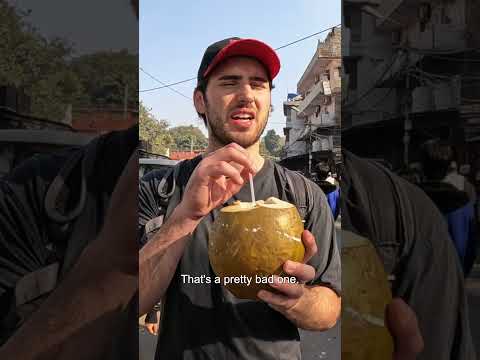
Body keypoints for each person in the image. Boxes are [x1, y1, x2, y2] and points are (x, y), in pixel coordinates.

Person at [139, 37, 342, 360]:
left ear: (269, 101)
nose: (247, 95)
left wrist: (297, 299)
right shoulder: (159, 189)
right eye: (230, 82)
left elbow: (329, 309)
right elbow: (124, 302)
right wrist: (185, 217)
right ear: (200, 101)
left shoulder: (302, 197)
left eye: (258, 84)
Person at [341, 149, 476, 360]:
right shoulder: (428, 207)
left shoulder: (396, 205)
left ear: (422, 168)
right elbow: (470, 242)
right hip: (442, 270)